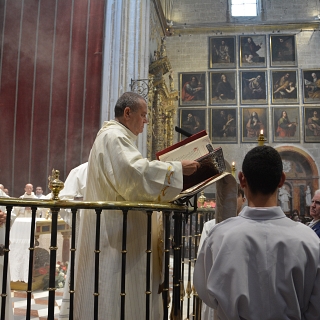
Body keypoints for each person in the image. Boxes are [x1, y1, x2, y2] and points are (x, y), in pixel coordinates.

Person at [70, 92, 200, 319]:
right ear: (127, 113)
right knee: (117, 297)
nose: (146, 120)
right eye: (143, 114)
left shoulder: (116, 137)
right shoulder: (114, 137)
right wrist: (176, 168)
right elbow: (134, 176)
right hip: (117, 238)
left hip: (122, 235)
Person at [194, 145, 320, 319]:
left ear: (242, 180)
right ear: (282, 180)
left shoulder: (219, 236)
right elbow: (316, 307)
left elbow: (207, 295)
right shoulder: (309, 240)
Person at [197, 183, 245, 320]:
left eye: (235, 195)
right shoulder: (210, 226)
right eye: (225, 196)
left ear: (243, 199)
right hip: (214, 290)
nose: (230, 199)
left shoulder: (247, 227)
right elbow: (203, 263)